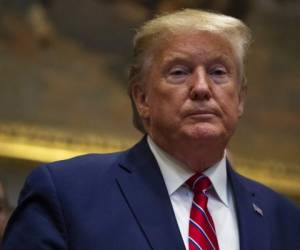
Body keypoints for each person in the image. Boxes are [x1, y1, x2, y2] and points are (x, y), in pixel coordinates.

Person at [1, 9, 300, 250]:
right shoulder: (67, 195)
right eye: (179, 72)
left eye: (218, 73)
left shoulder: (284, 220)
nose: (201, 88)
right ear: (142, 98)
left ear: (240, 99)